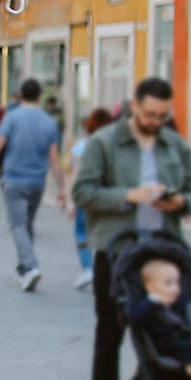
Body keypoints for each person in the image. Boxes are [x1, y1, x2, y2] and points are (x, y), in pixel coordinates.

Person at [70, 77, 191, 380]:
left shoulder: (175, 145)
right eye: (149, 114)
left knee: (168, 332)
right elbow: (83, 192)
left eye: (162, 115)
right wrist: (129, 195)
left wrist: (180, 203)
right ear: (134, 106)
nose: (156, 121)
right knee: (110, 334)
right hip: (117, 253)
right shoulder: (104, 142)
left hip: (164, 252)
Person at [0, 78, 63, 291]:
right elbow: (54, 158)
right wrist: (62, 188)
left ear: (20, 95)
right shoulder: (49, 122)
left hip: (14, 178)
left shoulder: (12, 118)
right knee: (28, 223)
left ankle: (31, 266)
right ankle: (23, 267)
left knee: (18, 225)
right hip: (37, 181)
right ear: (40, 96)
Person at [67, 107, 114, 289]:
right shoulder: (113, 145)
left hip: (87, 196)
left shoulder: (82, 146)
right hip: (107, 196)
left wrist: (71, 199)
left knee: (81, 231)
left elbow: (75, 174)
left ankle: (87, 268)